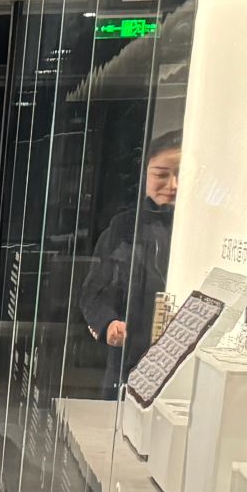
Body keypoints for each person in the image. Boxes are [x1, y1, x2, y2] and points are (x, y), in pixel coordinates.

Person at [81, 132, 183, 397]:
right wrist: (107, 322)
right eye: (161, 174)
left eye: (181, 174)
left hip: (183, 361)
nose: (172, 185)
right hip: (130, 357)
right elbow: (94, 291)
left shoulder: (197, 228)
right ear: (145, 175)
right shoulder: (124, 227)